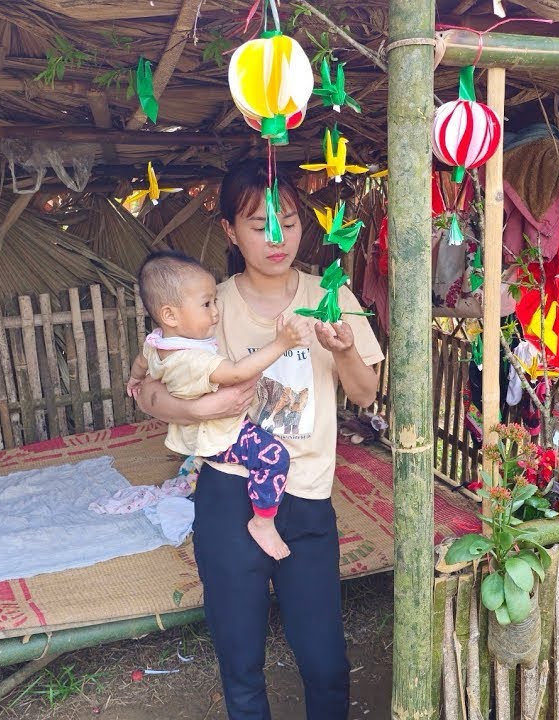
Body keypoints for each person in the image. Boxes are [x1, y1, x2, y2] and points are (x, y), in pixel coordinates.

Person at [131, 159, 382, 719]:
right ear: (228, 231)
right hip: (227, 497)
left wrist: (341, 349)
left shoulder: (332, 295)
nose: (277, 238)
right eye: (259, 224)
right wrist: (205, 405)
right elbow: (146, 391)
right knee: (240, 661)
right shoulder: (205, 306)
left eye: (288, 222)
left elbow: (365, 395)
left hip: (308, 498)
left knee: (326, 662)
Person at [128, 251, 315, 560]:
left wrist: (135, 380)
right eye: (206, 304)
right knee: (274, 456)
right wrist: (282, 343)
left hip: (198, 433)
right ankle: (263, 520)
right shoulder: (192, 359)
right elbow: (239, 372)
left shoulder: (159, 343)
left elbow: (140, 362)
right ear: (171, 315)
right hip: (216, 435)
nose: (215, 312)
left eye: (214, 301)